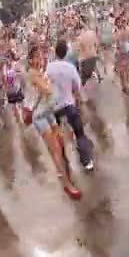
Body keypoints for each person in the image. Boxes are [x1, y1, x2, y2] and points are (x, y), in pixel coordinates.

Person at [26, 46, 81, 200]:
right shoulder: (32, 73)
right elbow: (48, 90)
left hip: (49, 112)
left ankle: (62, 170)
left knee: (61, 142)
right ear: (30, 60)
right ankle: (67, 185)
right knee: (56, 148)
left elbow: (49, 88)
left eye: (41, 56)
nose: (40, 59)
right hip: (40, 117)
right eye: (36, 57)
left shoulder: (41, 72)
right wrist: (48, 83)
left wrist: (48, 82)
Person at [47, 40, 95, 171]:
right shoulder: (70, 68)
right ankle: (86, 161)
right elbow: (77, 86)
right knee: (79, 133)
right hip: (69, 104)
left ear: (55, 52)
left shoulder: (49, 68)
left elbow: (46, 86)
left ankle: (63, 161)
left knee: (57, 134)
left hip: (54, 106)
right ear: (66, 52)